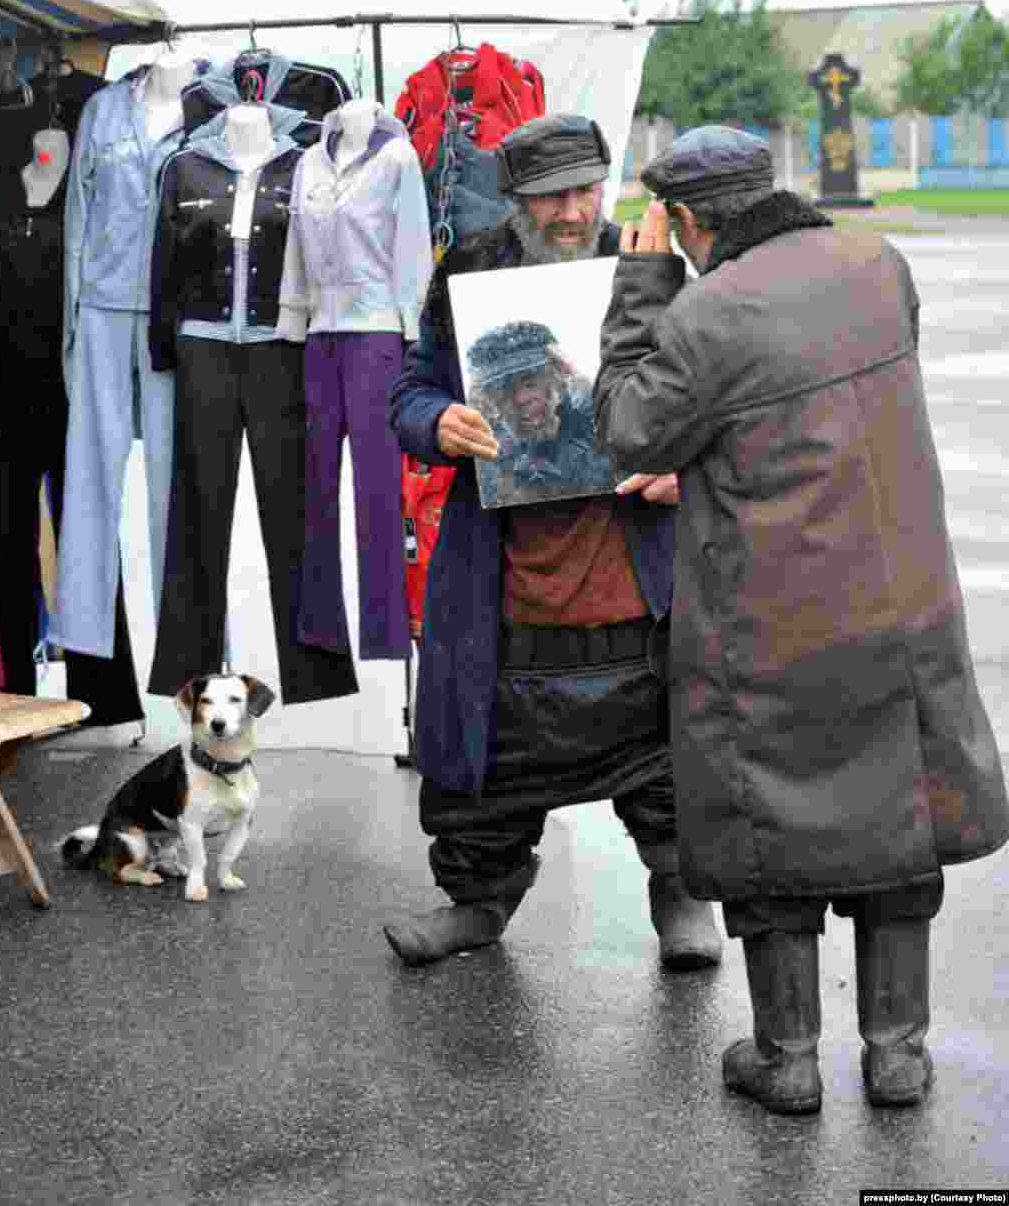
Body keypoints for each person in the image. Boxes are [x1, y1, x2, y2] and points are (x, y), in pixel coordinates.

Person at [593, 125, 1009, 1113]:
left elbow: (625, 422)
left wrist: (640, 292)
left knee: (768, 821)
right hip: (898, 596)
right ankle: (897, 1052)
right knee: (893, 818)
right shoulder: (880, 261)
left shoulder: (703, 314)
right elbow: (813, 406)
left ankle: (787, 1057)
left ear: (687, 220)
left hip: (769, 620)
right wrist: (710, 464)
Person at [384, 113, 722, 970]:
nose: (571, 211)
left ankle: (682, 894)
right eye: (549, 195)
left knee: (667, 739)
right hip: (511, 568)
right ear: (516, 198)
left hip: (630, 558)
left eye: (583, 189)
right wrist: (438, 421)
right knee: (490, 749)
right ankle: (477, 899)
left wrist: (687, 465)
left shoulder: (651, 263)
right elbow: (410, 391)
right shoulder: (467, 268)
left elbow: (712, 393)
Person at [466, 320, 617, 507]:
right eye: (506, 390)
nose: (520, 399)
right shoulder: (492, 458)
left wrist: (578, 378)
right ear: (494, 401)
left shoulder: (593, 428)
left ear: (555, 380)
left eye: (530, 383)